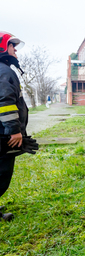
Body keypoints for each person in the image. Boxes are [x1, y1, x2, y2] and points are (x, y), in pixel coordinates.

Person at [0, 32, 39, 221]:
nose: (15, 49)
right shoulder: (4, 72)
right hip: (3, 135)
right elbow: (5, 103)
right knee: (2, 174)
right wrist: (14, 131)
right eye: (11, 45)